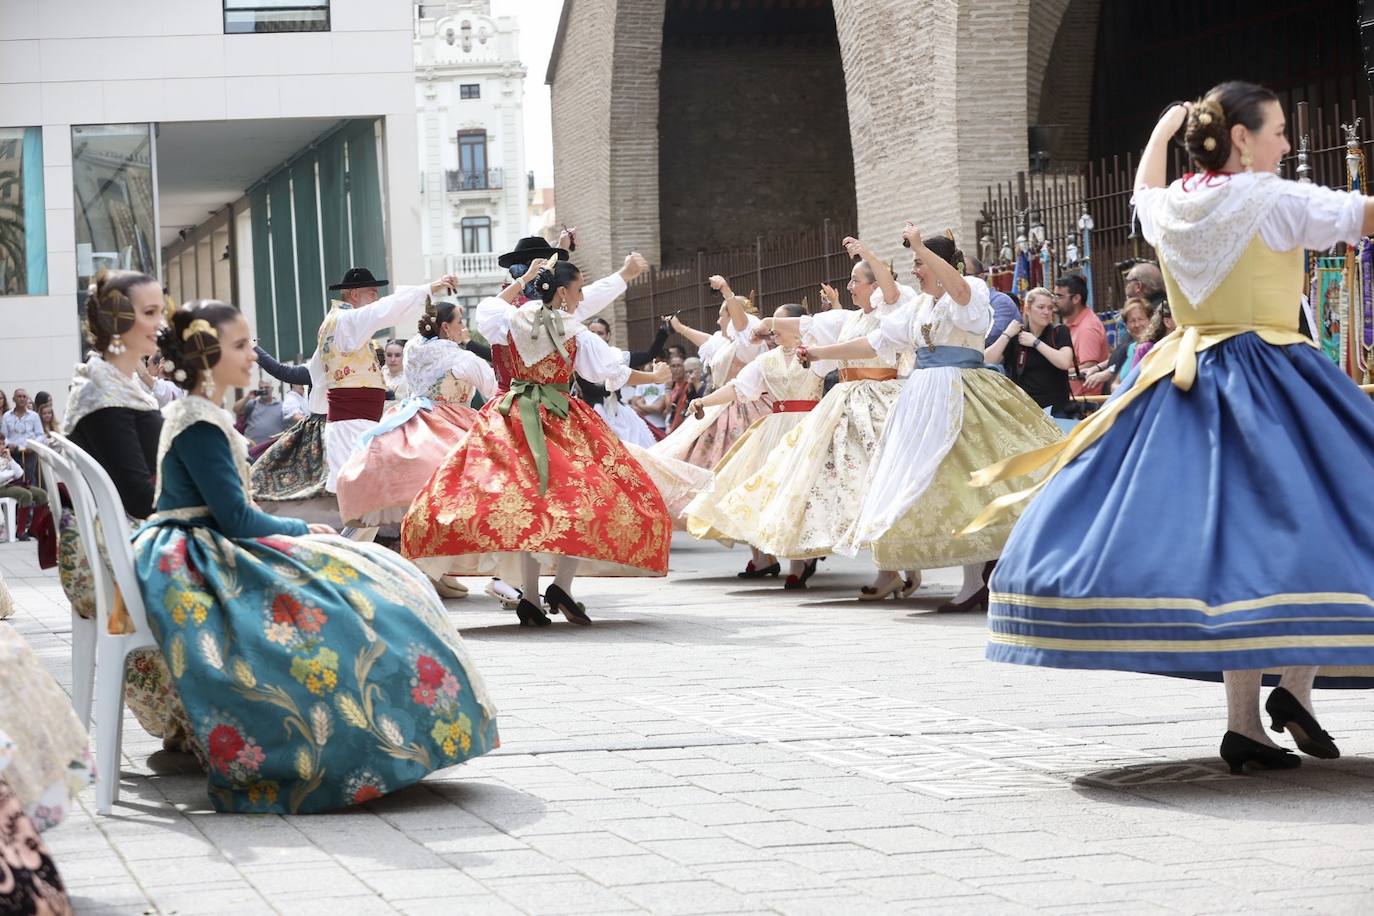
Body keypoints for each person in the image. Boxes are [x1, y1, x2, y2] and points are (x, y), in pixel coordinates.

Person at [969, 81, 1374, 774]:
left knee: (1229, 552)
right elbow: (1361, 216)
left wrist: (1162, 132)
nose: (1286, 145)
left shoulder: (1175, 206)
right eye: (1277, 132)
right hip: (1274, 379)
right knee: (1317, 522)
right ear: (1242, 139)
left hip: (1184, 380)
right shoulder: (1272, 197)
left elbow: (1141, 194)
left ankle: (1248, 723)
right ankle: (1291, 694)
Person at [131, 300, 497, 812]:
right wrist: (302, 528)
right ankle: (351, 739)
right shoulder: (199, 422)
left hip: (204, 539)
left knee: (373, 571)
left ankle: (383, 732)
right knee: (354, 588)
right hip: (198, 549)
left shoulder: (200, 415)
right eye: (240, 345)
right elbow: (237, 519)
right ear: (208, 356)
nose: (251, 353)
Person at [796, 225, 1062, 611]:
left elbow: (960, 292)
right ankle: (976, 579)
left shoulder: (970, 292)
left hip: (964, 393)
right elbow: (876, 342)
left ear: (940, 264)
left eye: (920, 263)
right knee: (945, 484)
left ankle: (988, 574)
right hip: (924, 398)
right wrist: (821, 353)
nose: (916, 270)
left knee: (971, 479)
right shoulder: (918, 307)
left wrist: (923, 245)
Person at [401, 257, 673, 627]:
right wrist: (654, 374)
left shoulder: (510, 318)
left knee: (529, 507)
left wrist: (525, 279)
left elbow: (488, 308)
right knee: (581, 501)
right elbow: (610, 371)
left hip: (512, 416)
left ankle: (530, 597)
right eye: (577, 291)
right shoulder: (573, 329)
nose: (580, 298)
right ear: (562, 292)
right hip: (560, 416)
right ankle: (559, 586)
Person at [708, 240, 921, 600]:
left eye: (857, 280)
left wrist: (868, 254)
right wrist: (764, 326)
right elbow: (803, 322)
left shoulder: (893, 309)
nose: (850, 287)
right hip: (848, 403)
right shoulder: (847, 318)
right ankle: (889, 568)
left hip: (882, 401)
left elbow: (888, 296)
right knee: (853, 485)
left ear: (875, 283)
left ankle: (900, 566)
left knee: (882, 480)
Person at [62, 268, 197, 752]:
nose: (161, 324)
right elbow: (140, 494)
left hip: (128, 534)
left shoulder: (117, 382)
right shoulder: (103, 390)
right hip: (121, 545)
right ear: (119, 322)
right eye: (151, 313)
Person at [335, 298, 496, 591]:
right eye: (460, 321)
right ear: (446, 327)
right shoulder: (463, 360)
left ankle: (433, 567)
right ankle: (460, 568)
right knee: (484, 481)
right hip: (450, 423)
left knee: (405, 493)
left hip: (409, 420)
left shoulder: (412, 349)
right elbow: (493, 390)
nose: (464, 327)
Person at [683, 303, 827, 587]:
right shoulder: (766, 361)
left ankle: (799, 562)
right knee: (774, 491)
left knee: (801, 491)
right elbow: (738, 387)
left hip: (810, 426)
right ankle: (789, 559)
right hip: (776, 428)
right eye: (774, 325)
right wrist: (703, 401)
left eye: (781, 324)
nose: (775, 330)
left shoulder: (817, 353)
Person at [317, 266, 460, 495]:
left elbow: (316, 373)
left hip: (355, 421)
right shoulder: (346, 320)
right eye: (372, 292)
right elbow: (383, 310)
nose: (377, 297)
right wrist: (432, 287)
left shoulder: (339, 322)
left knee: (366, 504)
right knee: (362, 503)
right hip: (351, 422)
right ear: (355, 294)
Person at [652, 278, 772, 480]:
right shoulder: (726, 343)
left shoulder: (748, 344)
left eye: (721, 316)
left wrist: (727, 291)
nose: (718, 321)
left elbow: (742, 326)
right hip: (720, 403)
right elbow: (708, 340)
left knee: (734, 461)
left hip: (742, 405)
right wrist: (680, 328)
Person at [984, 287, 1075, 415]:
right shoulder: (1016, 336)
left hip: (1056, 411)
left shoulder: (1059, 332)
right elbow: (987, 360)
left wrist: (1035, 343)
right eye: (1041, 307)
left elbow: (1065, 362)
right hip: (1025, 411)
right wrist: (1007, 334)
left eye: (1050, 308)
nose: (1046, 312)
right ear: (1027, 309)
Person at [1054, 274, 1110, 396]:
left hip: (1083, 406)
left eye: (1059, 296)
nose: (1055, 301)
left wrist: (1054, 373)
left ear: (1076, 299)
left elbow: (1089, 367)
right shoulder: (1070, 322)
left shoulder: (1088, 328)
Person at [1085, 297, 1153, 395]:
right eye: (1132, 321)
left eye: (1141, 319)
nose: (1137, 324)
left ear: (1150, 320)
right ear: (1126, 325)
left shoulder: (1155, 347)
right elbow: (1115, 382)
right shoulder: (1130, 348)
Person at [0, 445, 48, 540]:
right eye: (0, 444)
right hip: (2, 487)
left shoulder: (5, 459)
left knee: (42, 494)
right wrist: (10, 474)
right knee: (26, 495)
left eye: (3, 444)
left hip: (13, 484)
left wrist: (10, 459)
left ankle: (33, 529)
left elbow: (19, 473)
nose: (3, 447)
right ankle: (20, 531)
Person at [2, 388, 44, 485]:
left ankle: (31, 498)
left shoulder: (34, 416)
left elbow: (40, 435)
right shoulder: (7, 416)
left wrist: (33, 446)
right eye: (19, 396)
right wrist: (9, 445)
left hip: (29, 452)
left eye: (24, 397)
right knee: (14, 477)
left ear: (27, 399)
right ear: (13, 399)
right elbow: (4, 436)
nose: (21, 399)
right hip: (13, 452)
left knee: (29, 476)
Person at [235, 380, 288, 447]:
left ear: (272, 389)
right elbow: (236, 409)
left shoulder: (281, 405)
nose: (264, 390)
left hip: (272, 450)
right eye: (261, 388)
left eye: (266, 387)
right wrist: (247, 397)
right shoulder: (252, 404)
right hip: (253, 450)